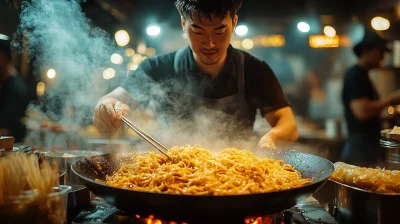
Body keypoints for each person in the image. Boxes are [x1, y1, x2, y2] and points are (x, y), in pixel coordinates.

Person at [93, 0, 298, 149]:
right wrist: (107, 106)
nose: (209, 43)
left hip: (239, 183)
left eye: (219, 31)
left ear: (234, 22)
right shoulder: (157, 67)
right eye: (198, 31)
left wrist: (271, 138)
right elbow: (113, 99)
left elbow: (288, 124)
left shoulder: (256, 71)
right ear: (183, 24)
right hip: (171, 179)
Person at [341, 29, 400, 166]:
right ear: (368, 51)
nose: (382, 57)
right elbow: (362, 112)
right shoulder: (356, 75)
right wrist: (392, 99)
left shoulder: (363, 75)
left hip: (365, 148)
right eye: (381, 52)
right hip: (360, 150)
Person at [0, 39, 29, 142]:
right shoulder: (5, 84)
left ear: (4, 57)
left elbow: (4, 129)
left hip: (12, 150)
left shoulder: (15, 88)